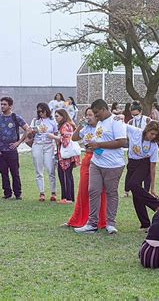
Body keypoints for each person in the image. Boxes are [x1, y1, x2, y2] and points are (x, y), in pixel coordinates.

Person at [74, 99, 127, 235]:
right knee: (93, 190)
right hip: (96, 162)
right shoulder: (101, 122)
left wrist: (99, 145)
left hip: (113, 164)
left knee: (111, 193)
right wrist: (93, 145)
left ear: (104, 109)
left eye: (97, 113)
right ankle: (92, 223)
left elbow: (122, 142)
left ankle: (110, 223)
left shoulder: (116, 121)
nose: (96, 117)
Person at [66, 108, 107, 228]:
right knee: (84, 189)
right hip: (87, 158)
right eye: (86, 115)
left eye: (90, 115)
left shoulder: (102, 127)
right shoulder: (86, 128)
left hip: (99, 158)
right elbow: (74, 138)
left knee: (99, 190)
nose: (88, 117)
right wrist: (79, 126)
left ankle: (100, 219)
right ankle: (79, 218)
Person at [124, 121, 159, 231]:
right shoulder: (135, 132)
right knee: (136, 193)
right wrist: (119, 117)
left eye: (155, 135)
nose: (153, 136)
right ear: (147, 130)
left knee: (132, 184)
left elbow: (153, 167)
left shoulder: (154, 145)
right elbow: (122, 124)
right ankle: (145, 224)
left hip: (144, 164)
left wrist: (153, 187)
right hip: (132, 163)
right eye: (152, 133)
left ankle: (156, 205)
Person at [0, 97, 29, 200]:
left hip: (12, 151)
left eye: (5, 104)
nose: (2, 106)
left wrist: (18, 142)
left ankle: (17, 193)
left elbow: (27, 129)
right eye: (1, 104)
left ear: (10, 106)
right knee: (3, 173)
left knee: (15, 172)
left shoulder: (15, 117)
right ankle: (7, 193)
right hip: (0, 150)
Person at [48, 109, 80, 204]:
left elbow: (66, 140)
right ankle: (68, 197)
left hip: (65, 156)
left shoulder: (65, 126)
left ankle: (67, 198)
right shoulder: (68, 125)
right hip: (66, 154)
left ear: (63, 116)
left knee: (64, 176)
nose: (56, 118)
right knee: (67, 175)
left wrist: (53, 137)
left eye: (57, 116)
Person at [29, 103, 58, 201]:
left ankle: (53, 192)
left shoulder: (52, 121)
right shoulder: (35, 121)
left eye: (42, 111)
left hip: (48, 145)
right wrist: (31, 132)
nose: (41, 113)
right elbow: (29, 134)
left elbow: (56, 133)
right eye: (39, 111)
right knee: (38, 169)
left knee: (50, 169)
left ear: (47, 110)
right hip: (37, 144)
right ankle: (41, 192)